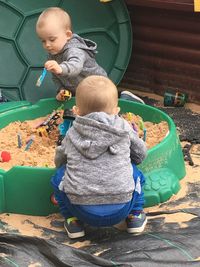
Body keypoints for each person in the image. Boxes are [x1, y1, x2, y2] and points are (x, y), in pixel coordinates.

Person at [51, 75, 148, 239]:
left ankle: (73, 221)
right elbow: (140, 155)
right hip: (121, 208)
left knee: (58, 177)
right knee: (136, 173)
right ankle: (135, 216)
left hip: (81, 210)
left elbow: (60, 160)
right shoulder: (123, 127)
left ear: (76, 111)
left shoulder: (72, 131)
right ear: (117, 110)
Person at [36, 7, 107, 101]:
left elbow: (75, 66)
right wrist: (61, 90)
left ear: (68, 35)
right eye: (43, 41)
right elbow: (56, 77)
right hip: (79, 92)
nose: (47, 45)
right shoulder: (53, 55)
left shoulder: (74, 49)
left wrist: (60, 68)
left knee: (102, 109)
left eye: (52, 39)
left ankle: (126, 98)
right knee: (71, 111)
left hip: (99, 87)